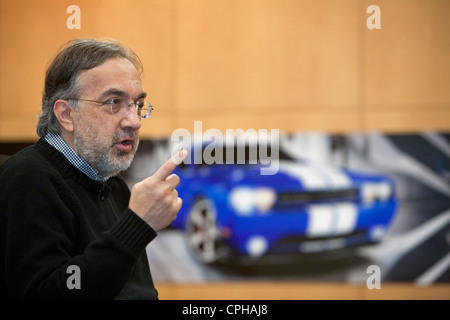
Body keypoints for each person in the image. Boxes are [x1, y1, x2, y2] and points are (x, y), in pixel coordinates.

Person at [0, 38, 187, 299]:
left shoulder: (114, 187)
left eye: (138, 105)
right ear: (66, 115)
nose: (133, 120)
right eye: (113, 103)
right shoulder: (27, 178)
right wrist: (136, 226)